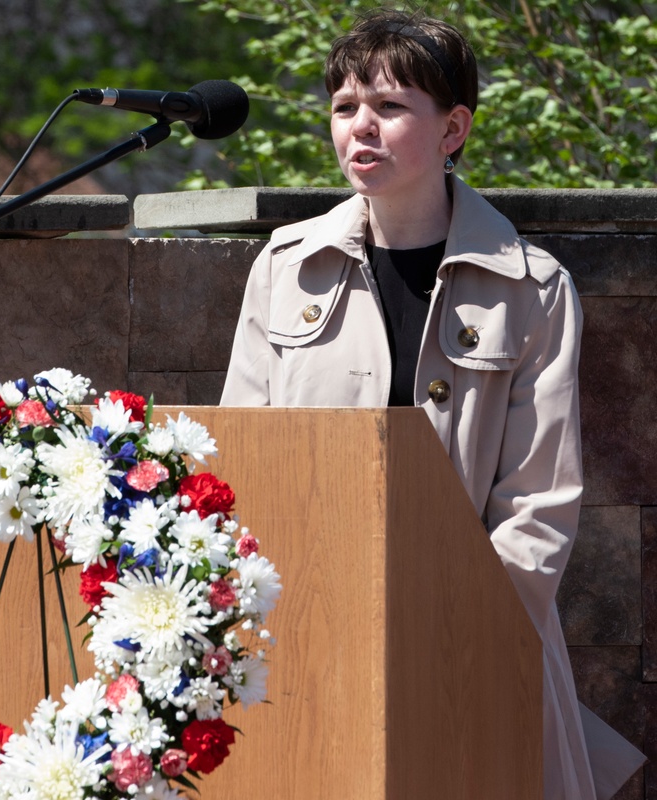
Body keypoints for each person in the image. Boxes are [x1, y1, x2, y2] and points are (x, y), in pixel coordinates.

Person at [220, 9, 645, 799]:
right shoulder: (285, 268)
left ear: (453, 129)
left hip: (471, 649)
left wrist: (442, 627)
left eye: (389, 107)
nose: (361, 129)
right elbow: (243, 466)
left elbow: (539, 506)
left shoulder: (532, 286)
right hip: (308, 638)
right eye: (345, 108)